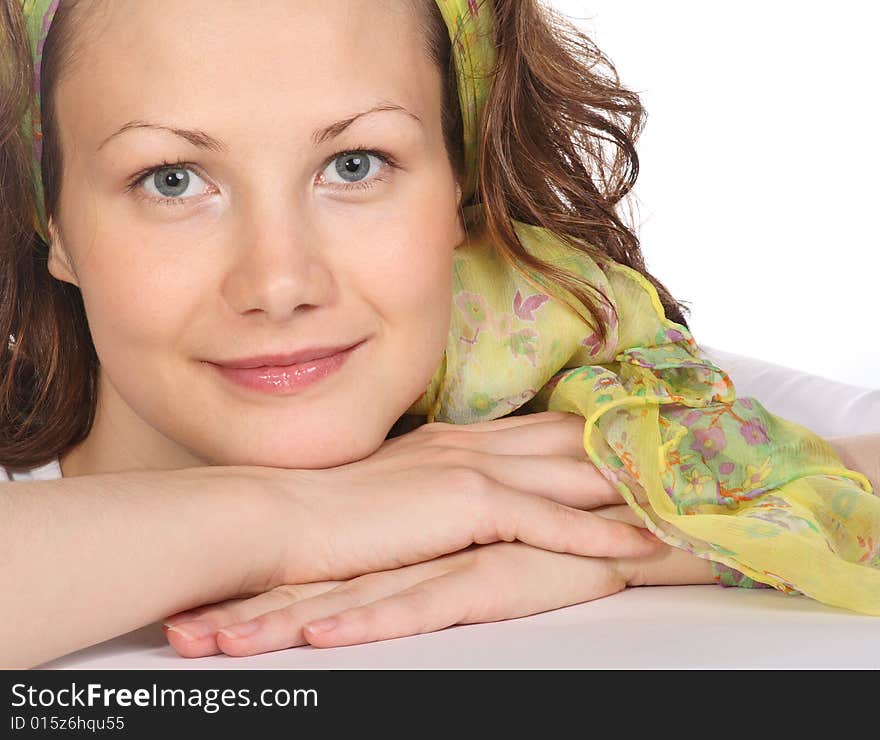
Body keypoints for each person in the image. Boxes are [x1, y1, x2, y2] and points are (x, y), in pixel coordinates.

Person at [0, 0, 876, 669]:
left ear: (461, 190)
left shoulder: (614, 404)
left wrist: (657, 539)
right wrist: (290, 520)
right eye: (171, 178)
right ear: (56, 224)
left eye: (355, 164)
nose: (278, 283)